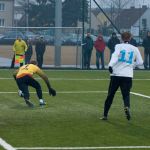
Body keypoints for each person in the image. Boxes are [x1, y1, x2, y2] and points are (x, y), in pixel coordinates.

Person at [101, 32, 143, 121]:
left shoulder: (118, 46)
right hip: (128, 75)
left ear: (121, 38)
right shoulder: (135, 48)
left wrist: (110, 65)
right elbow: (140, 62)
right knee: (126, 95)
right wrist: (132, 64)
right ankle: (127, 106)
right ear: (130, 38)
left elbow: (115, 56)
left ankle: (105, 115)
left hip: (116, 74)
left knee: (110, 95)